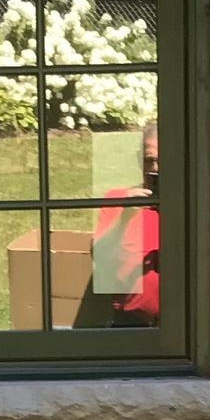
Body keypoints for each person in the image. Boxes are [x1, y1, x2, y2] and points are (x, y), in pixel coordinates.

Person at [79, 121, 159, 326]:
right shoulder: (119, 200)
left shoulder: (190, 202)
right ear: (139, 160)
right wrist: (125, 215)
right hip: (132, 323)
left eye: (163, 160)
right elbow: (100, 254)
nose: (156, 169)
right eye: (149, 160)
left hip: (186, 325)